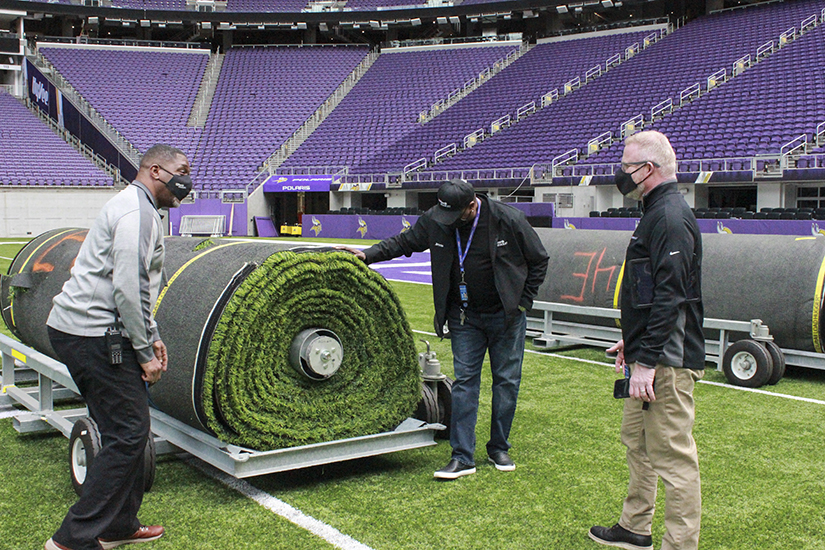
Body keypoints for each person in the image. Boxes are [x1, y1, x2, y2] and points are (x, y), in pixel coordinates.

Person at [339, 179, 548, 480]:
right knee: (464, 383)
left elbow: (538, 260)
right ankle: (462, 456)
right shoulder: (437, 219)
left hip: (506, 317)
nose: (450, 222)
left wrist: (522, 302)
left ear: (472, 206)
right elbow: (405, 242)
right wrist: (368, 255)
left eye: (457, 215)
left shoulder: (508, 219)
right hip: (464, 318)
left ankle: (498, 447)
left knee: (506, 382)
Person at [44, 144, 193, 550]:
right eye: (182, 170)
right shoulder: (137, 212)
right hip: (92, 334)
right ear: (157, 171)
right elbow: (128, 288)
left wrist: (152, 332)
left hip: (95, 331)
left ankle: (119, 525)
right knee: (129, 434)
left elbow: (137, 287)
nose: (187, 179)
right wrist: (144, 353)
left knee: (124, 429)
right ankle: (72, 539)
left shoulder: (138, 206)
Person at [589, 131, 704, 550]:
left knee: (674, 460)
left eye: (625, 166)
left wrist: (647, 362)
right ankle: (635, 526)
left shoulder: (671, 217)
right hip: (651, 353)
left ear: (647, 170)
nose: (621, 174)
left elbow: (672, 298)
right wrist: (632, 344)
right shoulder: (656, 212)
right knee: (637, 444)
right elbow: (648, 290)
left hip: (667, 363)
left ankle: (680, 545)